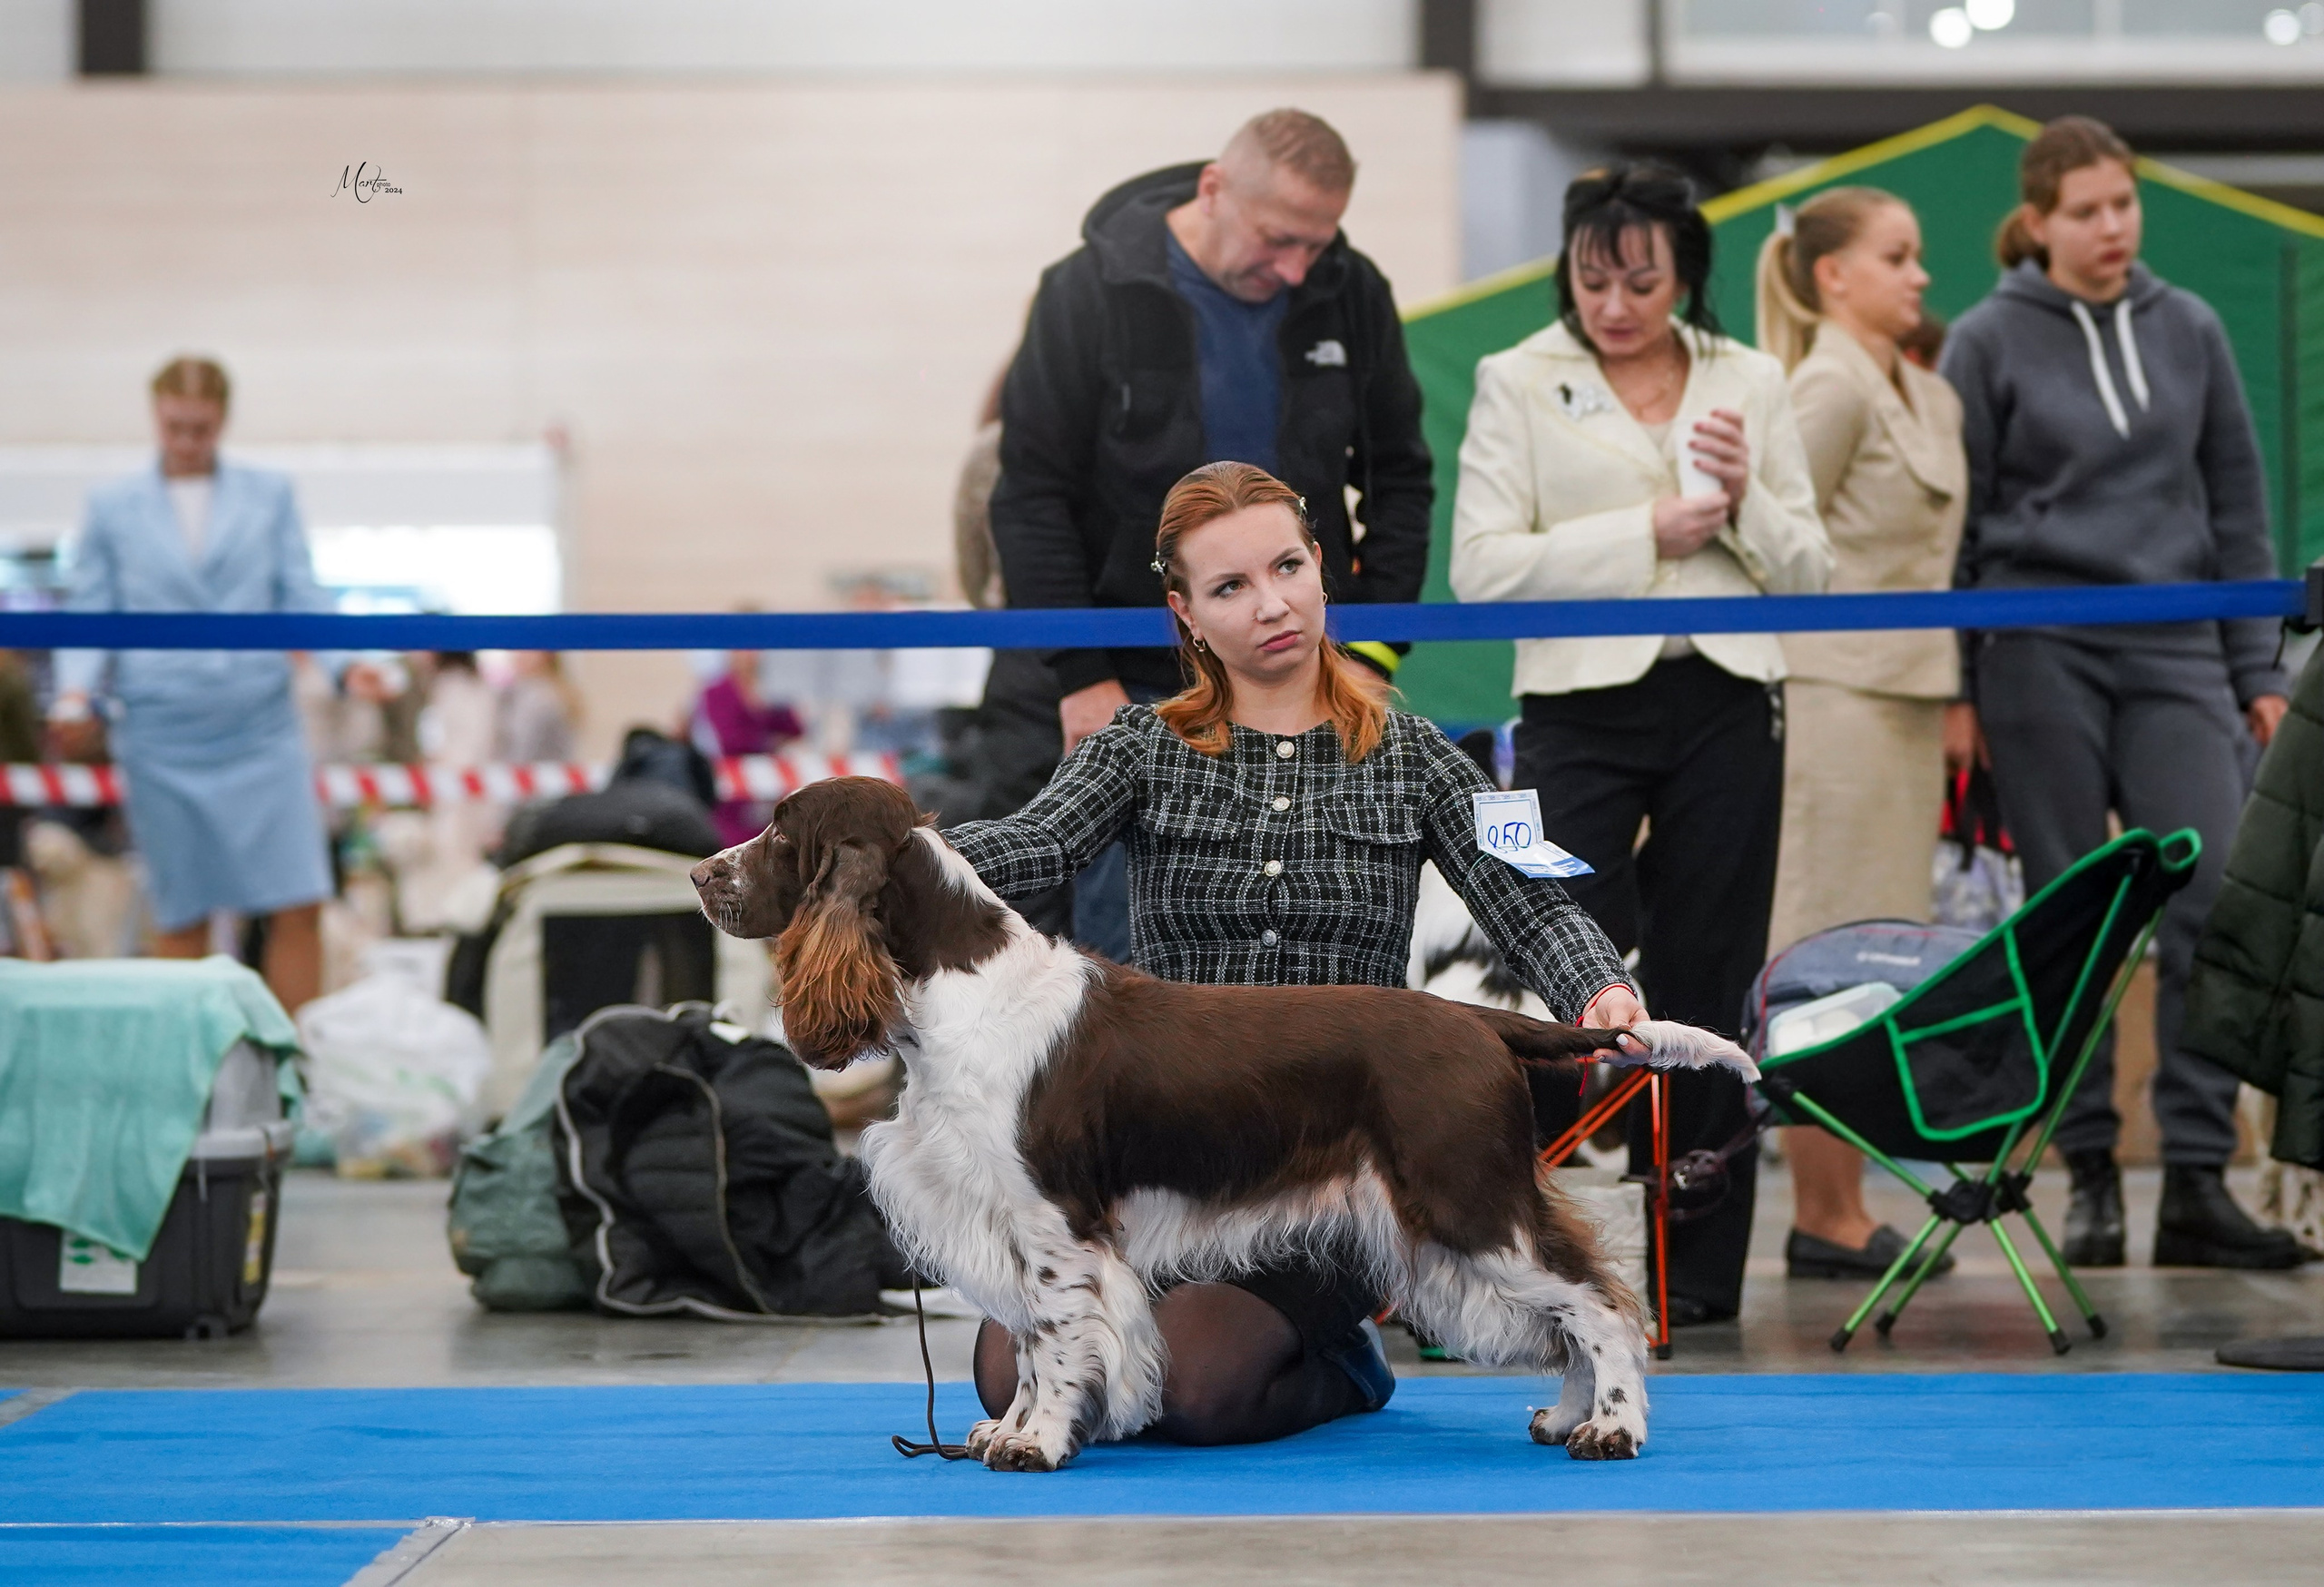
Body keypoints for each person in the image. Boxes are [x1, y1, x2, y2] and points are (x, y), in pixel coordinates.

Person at [947, 462, 1642, 1445]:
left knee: (1198, 1390)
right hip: (1165, 1165)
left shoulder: (1425, 752)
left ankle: (1343, 1360)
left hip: (1333, 1169)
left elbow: (1526, 889)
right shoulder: (1136, 746)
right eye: (1229, 587)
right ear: (1184, 612)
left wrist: (1600, 985)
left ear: (1323, 566)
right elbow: (1036, 841)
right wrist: (906, 851)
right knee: (1002, 1373)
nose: (1270, 604)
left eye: (1286, 567)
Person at [1448, 164, 1830, 1325]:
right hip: (1576, 705)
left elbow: (1807, 570)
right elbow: (1480, 567)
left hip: (1726, 695)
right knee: (1563, 960)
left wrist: (1742, 494)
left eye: (1642, 278)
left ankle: (1699, 1279)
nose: (1614, 302)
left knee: (1714, 973)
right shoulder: (1515, 377)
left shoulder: (1750, 377)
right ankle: (1523, 1254)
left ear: (1687, 275)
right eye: (1591, 276)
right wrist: (1646, 532)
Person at [1940, 116, 2301, 1271]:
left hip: (2178, 645)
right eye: (2086, 210)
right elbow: (1958, 521)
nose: (2110, 228)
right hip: (2035, 645)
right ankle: (2089, 1169)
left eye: (2124, 205)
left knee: (2208, 900)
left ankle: (2196, 1175)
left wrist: (2257, 670)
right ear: (2038, 220)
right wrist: (1958, 683)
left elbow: (2237, 504)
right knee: (2072, 913)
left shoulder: (2188, 326)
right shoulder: (1988, 339)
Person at [990, 107, 1433, 961]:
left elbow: (1401, 480)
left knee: (1302, 959)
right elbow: (1030, 495)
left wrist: (1372, 656)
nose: (1296, 267)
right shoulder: (1085, 293)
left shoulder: (1353, 291)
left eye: (1316, 242)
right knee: (1133, 979)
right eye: (1277, 239)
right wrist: (1082, 676)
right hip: (1133, 685)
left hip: (1303, 683)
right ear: (1214, 190)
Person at [1754, 188, 1966, 1281]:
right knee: (1823, 952)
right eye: (1897, 255)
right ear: (1831, 274)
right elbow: (1778, 549)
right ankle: (1821, 1211)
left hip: (1907, 700)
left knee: (1881, 952)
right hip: (1834, 698)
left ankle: (1838, 1202)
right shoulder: (1824, 383)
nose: (1919, 273)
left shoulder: (1921, 387)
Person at [53, 356, 353, 1011]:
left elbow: (300, 591)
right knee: (182, 912)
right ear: (155, 416)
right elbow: (90, 610)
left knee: (299, 903)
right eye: (175, 427)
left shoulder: (269, 494)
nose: (188, 441)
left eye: (202, 429)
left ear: (223, 421)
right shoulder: (111, 507)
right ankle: (190, 1077)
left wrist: (344, 664)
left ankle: (291, 1071)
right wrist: (76, 693)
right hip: (162, 736)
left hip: (260, 728)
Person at [687, 640, 805, 851]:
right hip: (732, 794)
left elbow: (796, 727)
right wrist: (770, 740)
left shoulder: (772, 686)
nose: (752, 654)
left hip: (769, 792)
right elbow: (731, 740)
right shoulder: (717, 690)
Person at [497, 651, 579, 766]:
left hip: (537, 776)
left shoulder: (543, 697)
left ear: (546, 656)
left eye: (528, 651)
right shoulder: (521, 692)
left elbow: (522, 749)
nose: (520, 655)